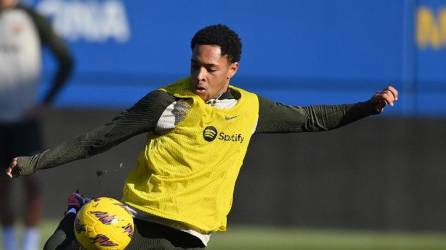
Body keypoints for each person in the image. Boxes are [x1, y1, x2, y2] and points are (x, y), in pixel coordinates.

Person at [5, 24, 398, 249]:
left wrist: (368, 106)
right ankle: (78, 213)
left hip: (188, 236)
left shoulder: (251, 109)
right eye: (195, 65)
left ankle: (78, 210)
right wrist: (30, 163)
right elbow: (97, 140)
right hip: (136, 221)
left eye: (210, 68)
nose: (199, 76)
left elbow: (313, 118)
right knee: (59, 246)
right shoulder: (166, 101)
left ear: (232, 69)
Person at [0, 0, 73, 249]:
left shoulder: (33, 19)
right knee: (3, 184)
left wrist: (45, 101)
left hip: (24, 120)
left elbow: (66, 60)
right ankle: (9, 243)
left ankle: (30, 244)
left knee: (31, 180)